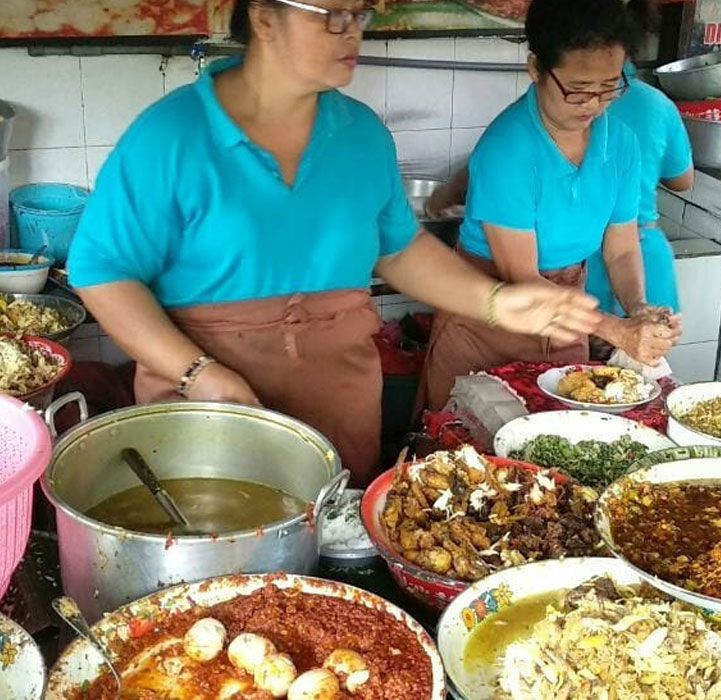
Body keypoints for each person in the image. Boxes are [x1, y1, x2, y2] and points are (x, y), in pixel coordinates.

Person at [66, 0, 601, 486]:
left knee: (331, 546)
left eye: (360, 15)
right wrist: (198, 374)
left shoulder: (361, 135)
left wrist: (495, 301)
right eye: (332, 15)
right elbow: (102, 270)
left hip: (337, 394)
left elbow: (396, 249)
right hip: (205, 399)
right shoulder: (172, 135)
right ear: (264, 17)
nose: (352, 35)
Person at [420, 0, 681, 411]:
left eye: (609, 87)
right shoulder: (508, 148)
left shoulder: (622, 144)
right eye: (577, 90)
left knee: (559, 446)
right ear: (537, 69)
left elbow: (622, 247)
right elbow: (521, 276)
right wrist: (616, 330)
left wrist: (639, 310)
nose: (593, 105)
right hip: (488, 322)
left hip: (566, 319)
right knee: (466, 448)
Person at [584, 0, 693, 321]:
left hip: (587, 263)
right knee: (646, 369)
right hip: (646, 257)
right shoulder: (658, 105)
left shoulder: (564, 103)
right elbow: (683, 180)